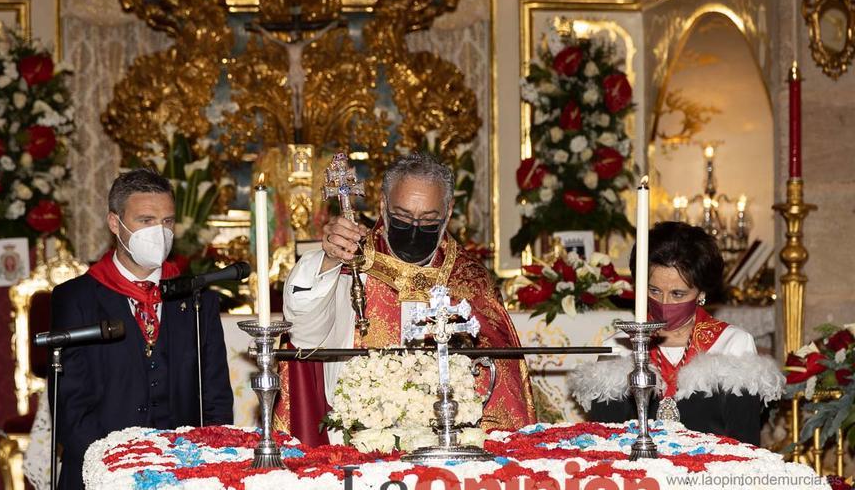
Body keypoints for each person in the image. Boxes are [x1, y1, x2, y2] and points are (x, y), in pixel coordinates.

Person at [280, 152, 536, 445]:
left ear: (448, 212)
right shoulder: (350, 261)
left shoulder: (468, 280)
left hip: (448, 445)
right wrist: (327, 261)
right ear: (382, 205)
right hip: (357, 442)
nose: (414, 229)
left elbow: (503, 383)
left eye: (428, 220)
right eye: (402, 217)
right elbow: (303, 334)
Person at [50, 168, 233, 489]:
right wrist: (115, 468)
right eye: (146, 221)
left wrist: (206, 463)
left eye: (167, 222)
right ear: (114, 223)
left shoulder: (197, 297)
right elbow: (70, 404)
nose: (159, 233)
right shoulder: (76, 298)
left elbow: (215, 395)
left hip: (184, 473)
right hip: (102, 472)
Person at [570, 221, 783, 445]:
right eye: (654, 290)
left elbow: (745, 443)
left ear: (701, 292)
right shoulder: (619, 347)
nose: (664, 303)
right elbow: (604, 441)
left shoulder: (732, 345)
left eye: (678, 294)